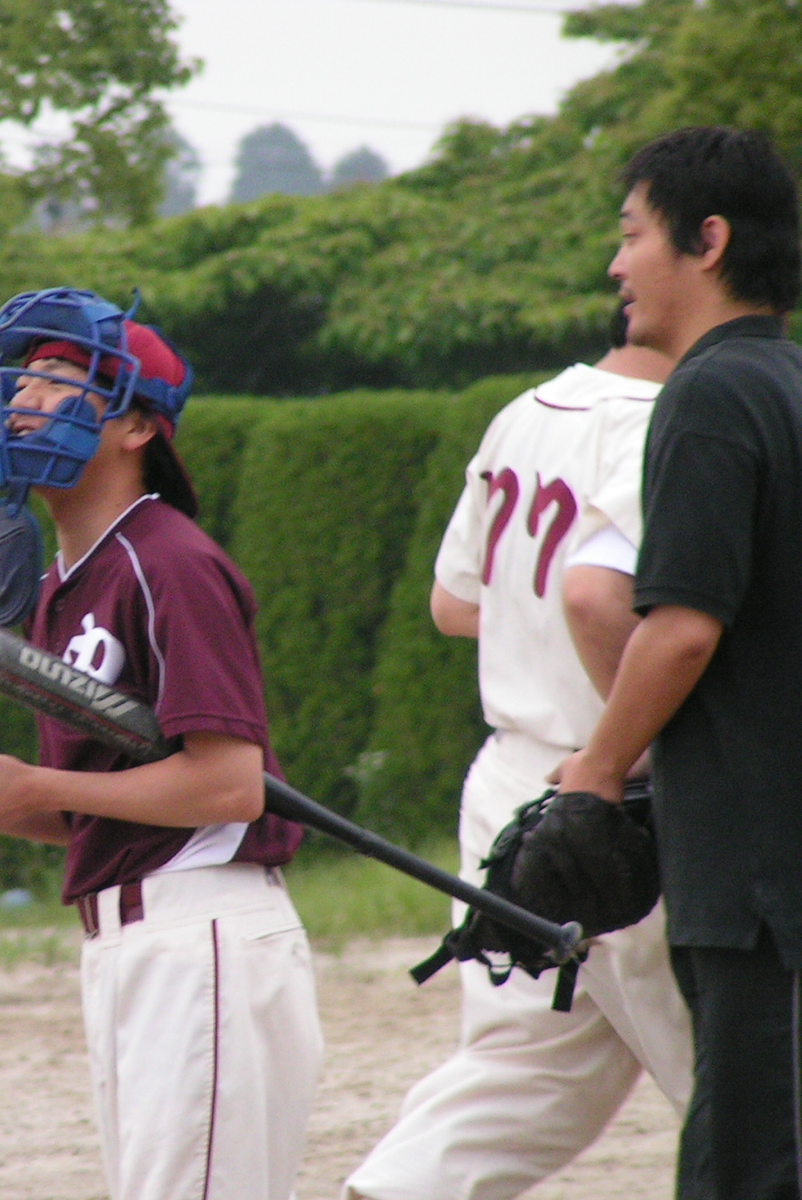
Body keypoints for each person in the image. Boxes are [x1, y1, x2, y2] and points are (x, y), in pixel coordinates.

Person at [0, 287, 322, 1200]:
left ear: (136, 426)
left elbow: (229, 787)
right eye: (20, 380)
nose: (20, 398)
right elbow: (108, 809)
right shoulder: (62, 586)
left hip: (201, 939)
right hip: (127, 948)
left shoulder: (170, 561)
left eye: (56, 379)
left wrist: (37, 783)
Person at [344, 303, 695, 1200]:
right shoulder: (674, 423)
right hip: (620, 788)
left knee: (521, 1073)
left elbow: (453, 602)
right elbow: (595, 599)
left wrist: (534, 625)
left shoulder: (527, 412)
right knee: (739, 1081)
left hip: (508, 790)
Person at [554, 126, 802, 1200]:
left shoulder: (705, 396)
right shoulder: (788, 380)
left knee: (745, 1163)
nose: (616, 265)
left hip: (755, 879)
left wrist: (597, 770)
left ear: (708, 240)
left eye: (630, 235)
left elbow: (682, 625)